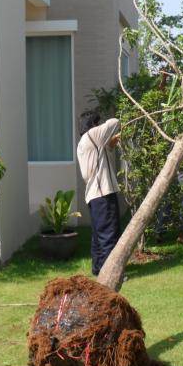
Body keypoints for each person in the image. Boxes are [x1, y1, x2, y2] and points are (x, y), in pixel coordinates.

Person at [77, 110, 122, 276]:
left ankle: (98, 269)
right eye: (98, 122)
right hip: (103, 194)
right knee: (109, 235)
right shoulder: (93, 134)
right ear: (94, 124)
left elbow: (103, 153)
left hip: (94, 195)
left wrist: (111, 143)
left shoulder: (84, 142)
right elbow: (115, 122)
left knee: (98, 236)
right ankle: (109, 274)